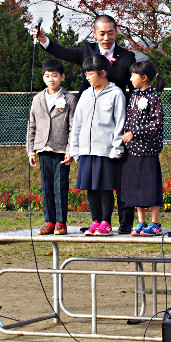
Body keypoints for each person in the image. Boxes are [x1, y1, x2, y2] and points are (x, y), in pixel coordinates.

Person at [34, 15, 136, 233]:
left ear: (116, 32)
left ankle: (124, 222)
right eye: (102, 33)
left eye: (110, 32)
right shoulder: (87, 51)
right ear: (94, 33)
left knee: (119, 178)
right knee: (93, 182)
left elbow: (135, 83)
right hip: (90, 122)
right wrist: (45, 41)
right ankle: (97, 220)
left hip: (115, 122)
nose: (106, 37)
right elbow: (64, 53)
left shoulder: (127, 57)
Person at [69, 55, 126, 236]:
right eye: (85, 74)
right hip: (86, 150)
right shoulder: (85, 95)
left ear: (103, 73)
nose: (87, 78)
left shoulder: (116, 94)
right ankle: (95, 220)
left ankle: (106, 223)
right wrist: (75, 149)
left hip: (106, 151)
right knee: (90, 187)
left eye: (90, 74)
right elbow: (77, 123)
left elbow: (120, 123)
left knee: (105, 187)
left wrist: (117, 148)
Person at [27, 59, 78, 235]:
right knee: (46, 186)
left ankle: (61, 222)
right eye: (47, 76)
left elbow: (73, 127)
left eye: (55, 75)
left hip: (61, 150)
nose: (51, 79)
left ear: (62, 77)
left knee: (60, 186)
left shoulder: (70, 99)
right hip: (42, 149)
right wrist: (31, 150)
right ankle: (49, 221)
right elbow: (32, 125)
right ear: (43, 78)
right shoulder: (37, 99)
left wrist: (71, 150)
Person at [120, 61, 166, 236]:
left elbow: (156, 124)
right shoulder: (133, 96)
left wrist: (135, 132)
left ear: (144, 77)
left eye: (133, 75)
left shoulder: (154, 98)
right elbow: (128, 120)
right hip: (133, 151)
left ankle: (155, 223)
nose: (130, 78)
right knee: (136, 185)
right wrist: (125, 138)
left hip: (149, 151)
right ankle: (141, 222)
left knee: (151, 185)